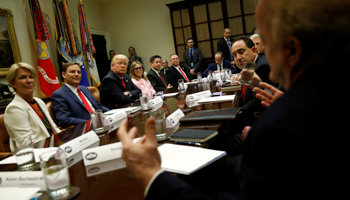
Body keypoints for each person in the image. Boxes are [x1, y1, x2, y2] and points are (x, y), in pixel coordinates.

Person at [117, 0, 348, 199]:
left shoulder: (280, 128)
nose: (261, 53)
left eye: (265, 42)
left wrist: (151, 175)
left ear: (292, 49)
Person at [4, 63, 60, 153]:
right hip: (37, 157)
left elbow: (53, 129)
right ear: (13, 83)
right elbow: (26, 145)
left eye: (31, 77)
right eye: (22, 77)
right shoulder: (14, 108)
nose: (29, 81)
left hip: (53, 149)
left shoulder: (39, 101)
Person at [51, 62, 109, 127]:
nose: (76, 74)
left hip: (102, 123)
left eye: (79, 72)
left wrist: (112, 114)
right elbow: (64, 119)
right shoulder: (58, 95)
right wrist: (92, 122)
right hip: (85, 129)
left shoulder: (85, 89)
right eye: (73, 72)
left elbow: (98, 106)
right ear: (64, 75)